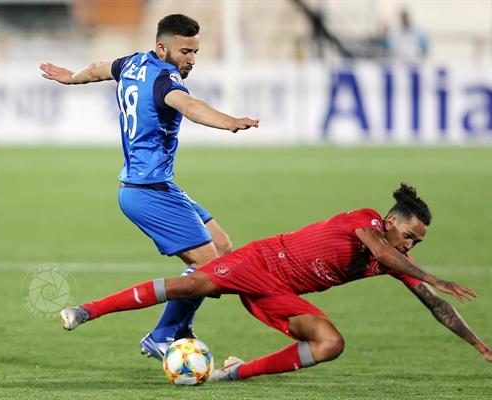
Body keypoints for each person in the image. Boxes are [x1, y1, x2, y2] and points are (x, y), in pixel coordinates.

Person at [60, 183, 492, 381]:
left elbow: (435, 305)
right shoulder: (366, 222)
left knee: (330, 343)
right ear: (392, 222)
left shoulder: (391, 259)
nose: (410, 247)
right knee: (190, 286)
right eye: (409, 237)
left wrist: (478, 345)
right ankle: (87, 311)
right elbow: (382, 251)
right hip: (260, 262)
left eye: (415, 243)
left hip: (281, 294)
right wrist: (436, 276)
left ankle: (231, 374)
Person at [40, 14, 259, 360]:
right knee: (211, 270)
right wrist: (228, 122)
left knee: (222, 245)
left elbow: (100, 68)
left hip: (159, 186)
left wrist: (72, 78)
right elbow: (188, 106)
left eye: (195, 52)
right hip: (148, 191)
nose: (191, 59)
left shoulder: (132, 62)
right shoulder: (164, 81)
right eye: (185, 51)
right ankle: (162, 335)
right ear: (162, 47)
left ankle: (179, 327)